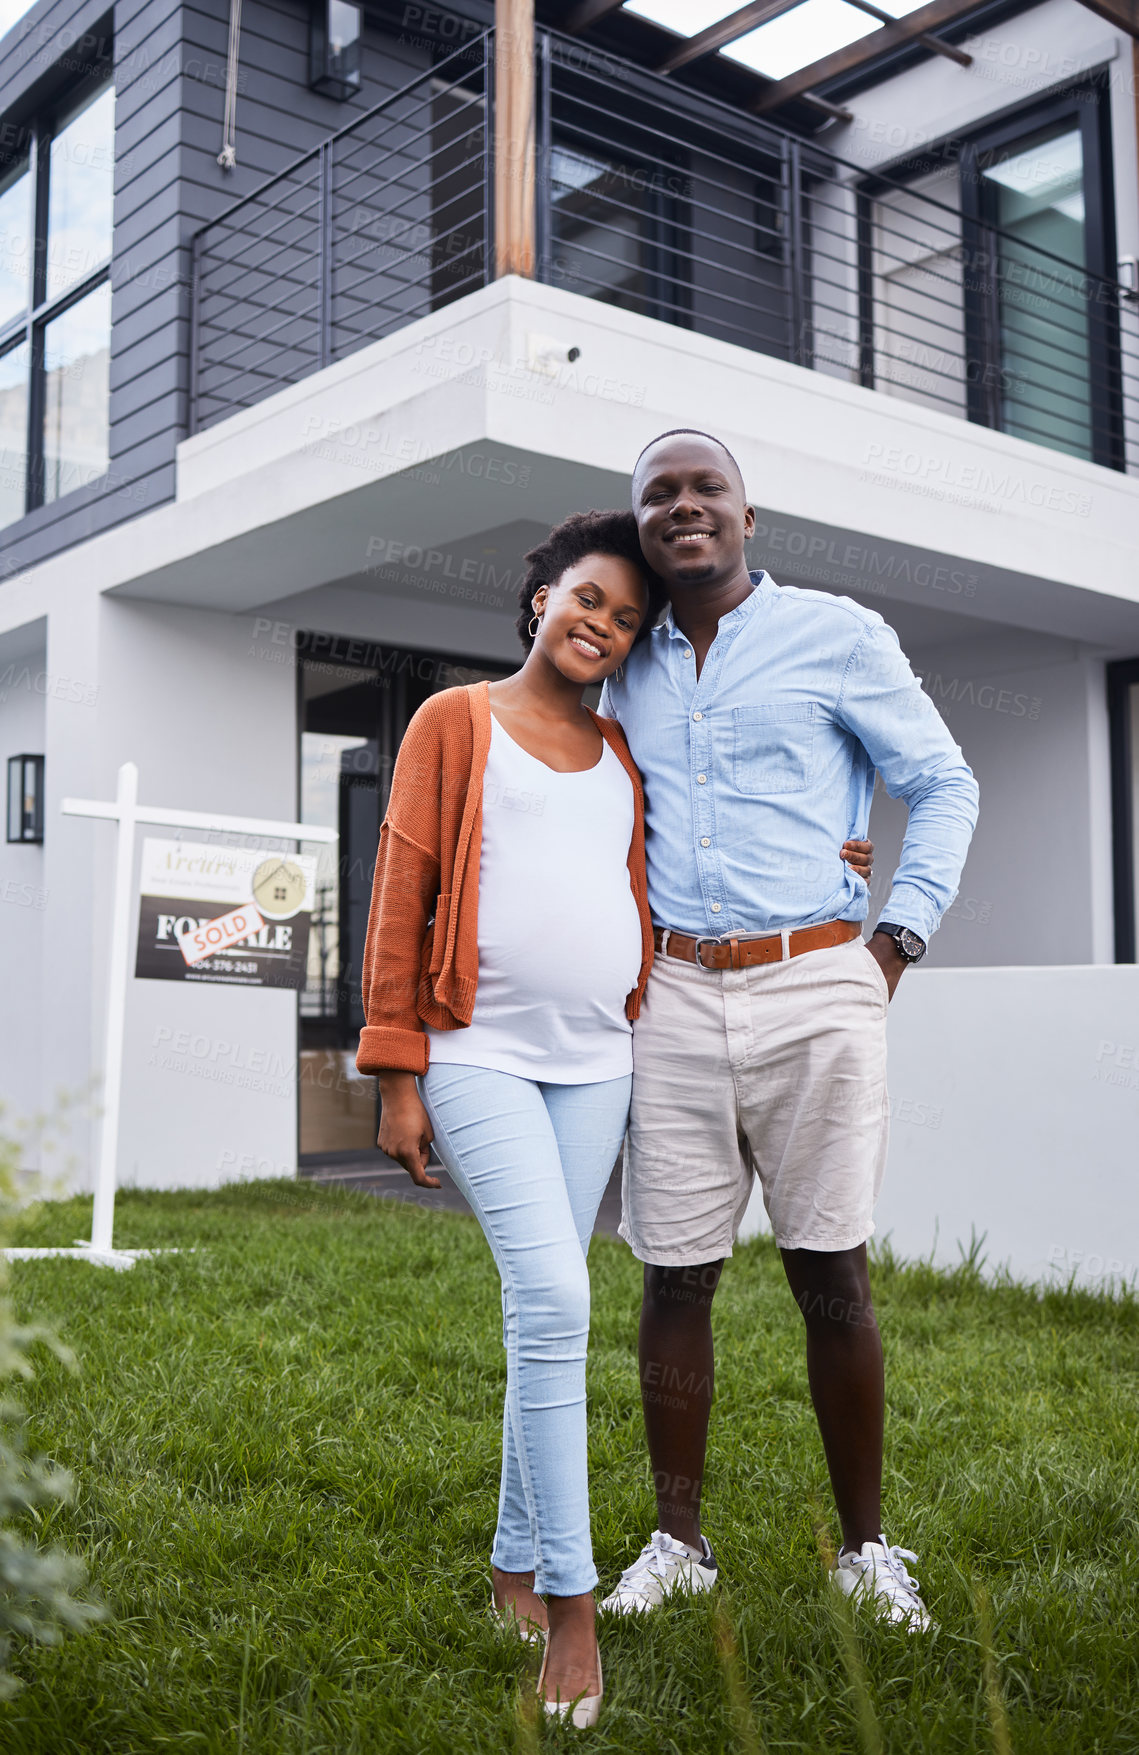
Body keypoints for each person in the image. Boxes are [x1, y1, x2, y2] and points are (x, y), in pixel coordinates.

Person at [356, 508, 874, 1725]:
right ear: (540, 598)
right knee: (555, 1299)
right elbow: (400, 891)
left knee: (544, 1306)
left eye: (626, 618)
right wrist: (394, 1073)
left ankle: (507, 1563)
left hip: (598, 1063)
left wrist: (844, 870)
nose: (603, 624)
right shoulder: (454, 722)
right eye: (587, 598)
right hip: (476, 1054)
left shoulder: (621, 756)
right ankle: (572, 1610)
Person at [597, 429, 979, 1633]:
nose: (682, 507)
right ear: (642, 526)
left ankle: (865, 1549)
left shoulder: (838, 634)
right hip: (670, 992)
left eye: (704, 487)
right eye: (658, 495)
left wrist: (894, 937)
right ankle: (677, 1539)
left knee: (830, 1272)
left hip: (817, 981)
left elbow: (944, 779)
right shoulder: (619, 661)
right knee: (674, 1272)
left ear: (746, 516)